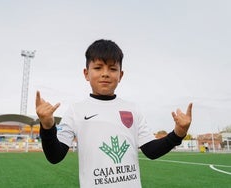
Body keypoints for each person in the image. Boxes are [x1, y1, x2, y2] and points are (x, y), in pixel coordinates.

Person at [36, 39, 193, 188]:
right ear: (86, 73)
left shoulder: (133, 109)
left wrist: (178, 134)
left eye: (112, 69)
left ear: (121, 75)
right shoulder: (76, 110)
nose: (105, 73)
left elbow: (151, 151)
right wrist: (48, 126)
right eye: (98, 68)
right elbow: (55, 156)